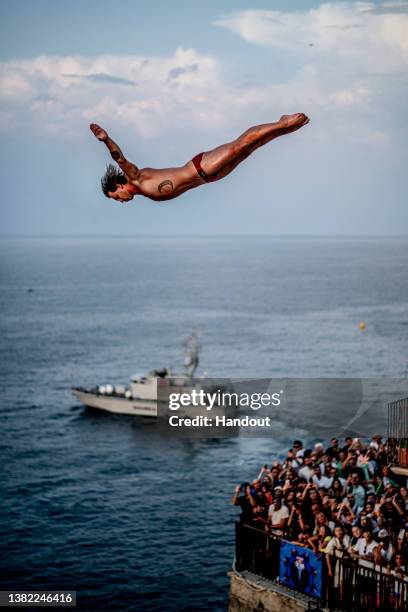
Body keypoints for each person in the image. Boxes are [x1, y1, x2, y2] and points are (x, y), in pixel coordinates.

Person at [89, 113, 310, 203]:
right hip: (210, 177)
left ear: (120, 184)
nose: (119, 200)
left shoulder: (136, 178)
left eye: (116, 196)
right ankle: (282, 131)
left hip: (200, 167)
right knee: (251, 149)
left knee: (239, 145)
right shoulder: (144, 193)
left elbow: (119, 158)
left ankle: (282, 123)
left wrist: (105, 139)